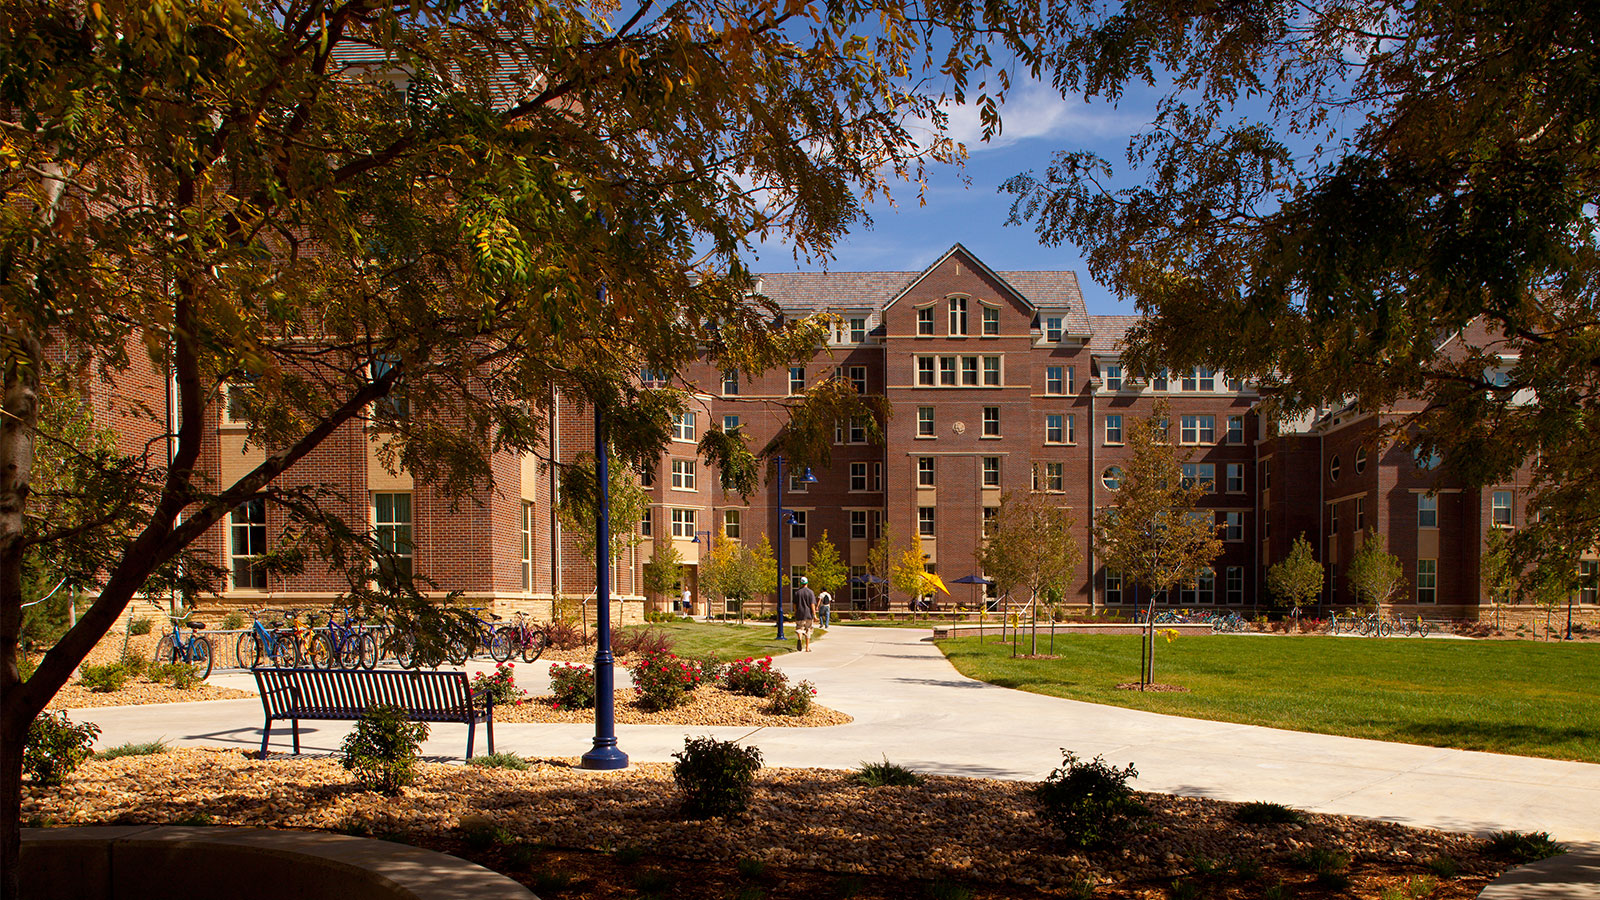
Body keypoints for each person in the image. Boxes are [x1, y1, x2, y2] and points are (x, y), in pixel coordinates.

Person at [792, 576, 818, 651]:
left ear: (801, 583)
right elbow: (812, 604)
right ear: (807, 583)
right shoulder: (810, 592)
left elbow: (794, 604)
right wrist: (814, 615)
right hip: (808, 614)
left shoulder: (797, 592)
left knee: (799, 628)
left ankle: (800, 639)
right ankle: (807, 647)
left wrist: (795, 611)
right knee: (808, 630)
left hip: (800, 614)